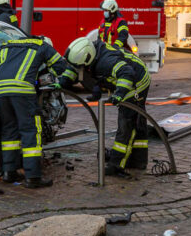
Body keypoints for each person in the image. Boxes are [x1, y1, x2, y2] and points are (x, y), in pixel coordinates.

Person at [62, 37, 150, 178]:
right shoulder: (92, 54)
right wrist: (62, 83)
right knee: (137, 121)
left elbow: (126, 73)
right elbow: (76, 69)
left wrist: (119, 94)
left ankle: (117, 165)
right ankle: (138, 160)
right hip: (132, 74)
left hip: (136, 82)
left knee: (127, 122)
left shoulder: (106, 61)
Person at [0, 36, 67, 188]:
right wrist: (44, 73)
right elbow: (60, 65)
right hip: (22, 91)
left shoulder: (7, 44)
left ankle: (9, 172)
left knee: (9, 131)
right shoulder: (41, 45)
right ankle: (33, 177)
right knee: (30, 130)